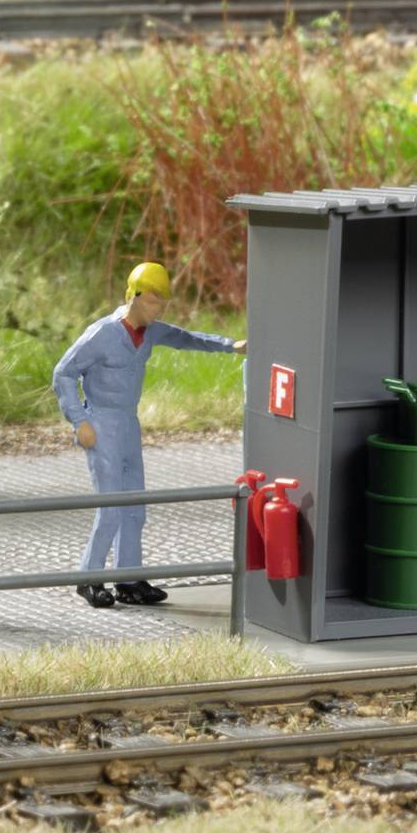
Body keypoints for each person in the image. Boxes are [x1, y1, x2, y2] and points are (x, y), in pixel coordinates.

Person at [53, 260, 243, 609]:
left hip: (128, 423)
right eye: (154, 300)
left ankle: (129, 577)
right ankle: (88, 579)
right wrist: (79, 421)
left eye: (163, 302)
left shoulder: (150, 330)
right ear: (134, 296)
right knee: (109, 507)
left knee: (135, 507)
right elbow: (63, 373)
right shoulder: (102, 334)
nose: (159, 309)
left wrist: (229, 345)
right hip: (102, 423)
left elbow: (186, 338)